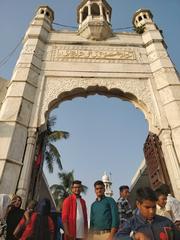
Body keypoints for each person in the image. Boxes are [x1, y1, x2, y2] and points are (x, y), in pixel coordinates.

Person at [115, 187, 180, 240]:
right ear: (138, 204)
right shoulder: (131, 223)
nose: (151, 211)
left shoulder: (166, 222)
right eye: (147, 207)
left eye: (154, 207)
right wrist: (135, 237)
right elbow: (117, 238)